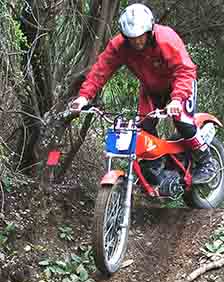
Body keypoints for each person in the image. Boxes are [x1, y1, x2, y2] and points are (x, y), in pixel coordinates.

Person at [69, 3, 215, 184]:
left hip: (179, 86)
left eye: (140, 37)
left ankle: (206, 162)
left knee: (183, 121)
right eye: (132, 38)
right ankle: (156, 166)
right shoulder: (119, 47)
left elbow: (185, 70)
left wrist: (177, 99)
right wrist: (84, 96)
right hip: (150, 88)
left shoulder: (166, 39)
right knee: (143, 127)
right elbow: (101, 70)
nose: (137, 41)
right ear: (124, 36)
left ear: (149, 31)